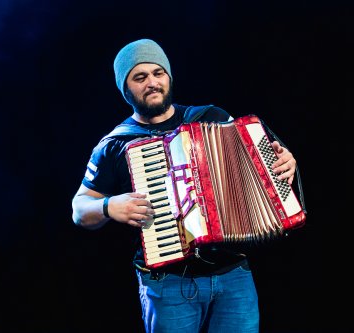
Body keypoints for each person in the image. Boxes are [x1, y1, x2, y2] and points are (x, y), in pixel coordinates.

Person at [71, 38, 297, 333]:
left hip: (233, 275)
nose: (152, 82)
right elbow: (79, 208)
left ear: (168, 77)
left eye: (158, 73)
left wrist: (284, 161)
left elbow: (265, 162)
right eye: (140, 77)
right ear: (125, 89)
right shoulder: (115, 144)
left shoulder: (212, 118)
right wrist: (107, 205)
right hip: (169, 284)